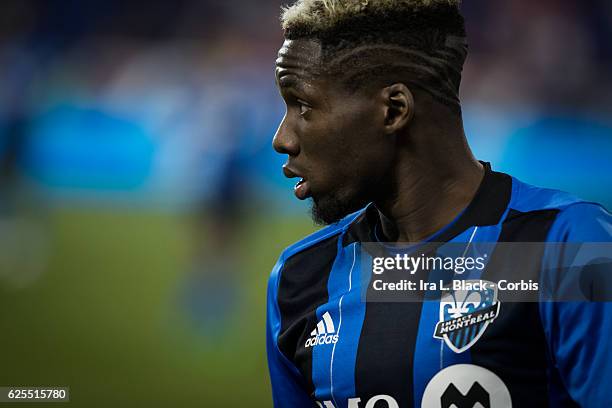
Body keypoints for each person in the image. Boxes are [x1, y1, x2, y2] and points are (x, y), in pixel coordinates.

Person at [266, 0, 612, 407]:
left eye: (303, 106)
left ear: (394, 110)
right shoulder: (299, 279)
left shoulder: (568, 248)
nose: (282, 139)